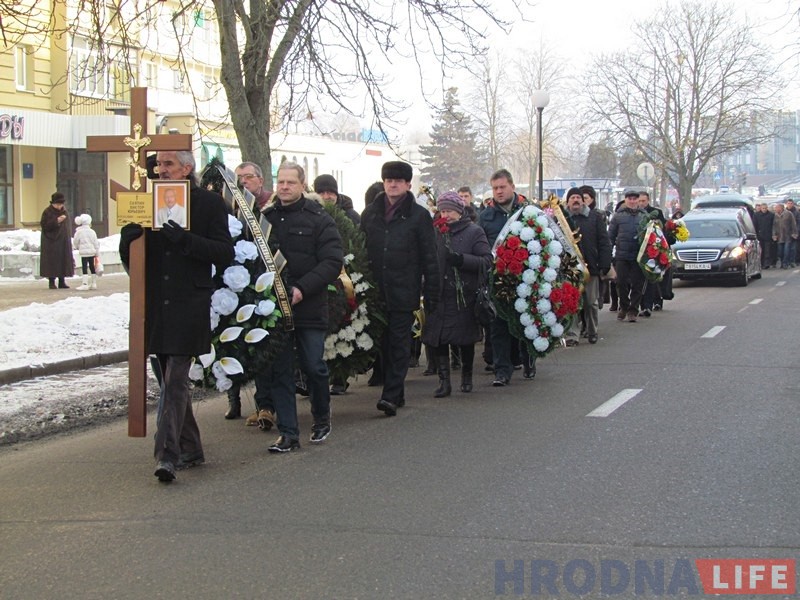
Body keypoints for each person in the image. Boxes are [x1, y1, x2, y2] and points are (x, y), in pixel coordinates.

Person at [119, 150, 234, 483]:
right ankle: (191, 446)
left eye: (168, 164)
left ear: (187, 167)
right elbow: (135, 264)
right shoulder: (146, 202)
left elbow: (223, 253)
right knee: (168, 378)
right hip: (156, 303)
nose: (161, 169)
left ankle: (166, 455)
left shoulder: (208, 204)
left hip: (188, 301)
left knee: (176, 379)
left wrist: (185, 240)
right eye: (158, 165)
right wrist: (128, 244)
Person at [261, 161, 343, 452]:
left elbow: (333, 261)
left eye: (290, 183)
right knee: (280, 370)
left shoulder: (318, 218)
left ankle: (321, 417)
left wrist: (302, 288)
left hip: (308, 305)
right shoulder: (265, 219)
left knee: (313, 366)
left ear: (302, 185)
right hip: (273, 309)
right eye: (280, 182)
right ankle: (288, 433)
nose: (284, 187)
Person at [360, 161, 440, 416]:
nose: (393, 184)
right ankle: (398, 391)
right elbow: (360, 251)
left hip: (404, 289)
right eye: (388, 180)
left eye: (398, 180)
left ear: (407, 185)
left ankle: (390, 396)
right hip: (375, 290)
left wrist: (432, 293)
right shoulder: (370, 213)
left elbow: (430, 256)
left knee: (399, 343)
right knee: (382, 343)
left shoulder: (418, 216)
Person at [422, 191, 491, 396]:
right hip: (438, 294)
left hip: (464, 295)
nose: (446, 215)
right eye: (443, 210)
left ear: (460, 212)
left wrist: (461, 259)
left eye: (450, 211)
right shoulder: (434, 232)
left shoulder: (474, 232)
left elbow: (486, 261)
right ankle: (444, 382)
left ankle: (467, 377)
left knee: (464, 338)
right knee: (439, 338)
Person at [223, 161, 276, 424]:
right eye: (239, 178)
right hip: (235, 284)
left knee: (261, 345)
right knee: (234, 344)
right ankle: (235, 399)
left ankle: (265, 404)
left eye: (249, 177)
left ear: (260, 180)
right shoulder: (230, 208)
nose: (244, 182)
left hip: (266, 287)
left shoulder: (271, 207)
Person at [478, 169, 536, 386]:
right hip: (498, 279)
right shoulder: (485, 217)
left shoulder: (528, 212)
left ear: (512, 186)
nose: (499, 192)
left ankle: (528, 360)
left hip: (526, 276)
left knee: (526, 321)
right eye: (495, 188)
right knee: (499, 325)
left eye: (502, 187)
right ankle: (502, 370)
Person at [313, 173, 358, 396]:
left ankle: (340, 376)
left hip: (345, 278)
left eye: (330, 192)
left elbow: (358, 243)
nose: (326, 196)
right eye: (322, 192)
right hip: (320, 277)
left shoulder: (349, 216)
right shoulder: (312, 213)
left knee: (344, 325)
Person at [566, 187, 611, 345]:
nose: (576, 200)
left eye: (578, 197)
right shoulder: (563, 219)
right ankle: (572, 335)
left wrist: (605, 263)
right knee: (571, 303)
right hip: (569, 269)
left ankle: (592, 330)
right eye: (572, 198)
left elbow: (604, 241)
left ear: (583, 201)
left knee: (591, 302)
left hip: (591, 268)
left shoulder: (594, 218)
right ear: (568, 201)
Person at [608, 188, 648, 323]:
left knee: (637, 284)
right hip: (621, 255)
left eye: (634, 199)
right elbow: (611, 236)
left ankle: (633, 310)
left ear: (638, 200)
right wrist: (608, 253)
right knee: (620, 282)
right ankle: (624, 306)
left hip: (638, 255)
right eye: (629, 199)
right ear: (625, 200)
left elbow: (651, 237)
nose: (632, 201)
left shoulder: (644, 216)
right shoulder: (618, 216)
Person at [637, 190, 666, 317]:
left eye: (643, 201)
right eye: (639, 201)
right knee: (639, 280)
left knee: (651, 279)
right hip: (638, 250)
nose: (641, 203)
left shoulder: (656, 212)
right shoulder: (635, 213)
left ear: (648, 201)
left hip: (653, 249)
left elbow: (661, 229)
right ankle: (642, 305)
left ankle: (649, 305)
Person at [40, 192, 74, 289]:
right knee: (52, 262)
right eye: (58, 204)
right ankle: (51, 281)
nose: (60, 206)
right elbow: (45, 225)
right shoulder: (47, 212)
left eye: (61, 204)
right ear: (53, 203)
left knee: (63, 261)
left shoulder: (65, 212)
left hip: (63, 242)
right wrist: (57, 221)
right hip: (51, 242)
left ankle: (62, 281)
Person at [72, 213, 100, 291]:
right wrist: (97, 252)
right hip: (92, 252)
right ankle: (94, 283)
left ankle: (85, 283)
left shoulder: (79, 232)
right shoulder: (92, 232)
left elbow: (75, 242)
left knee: (84, 267)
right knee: (92, 266)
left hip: (84, 253)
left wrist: (77, 247)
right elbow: (96, 243)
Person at [772, 202, 798, 269]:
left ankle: (785, 263)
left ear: (781, 208)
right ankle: (782, 261)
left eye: (777, 208)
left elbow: (793, 224)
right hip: (779, 236)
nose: (776, 209)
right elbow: (774, 226)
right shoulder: (775, 215)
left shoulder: (788, 214)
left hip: (787, 236)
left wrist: (794, 233)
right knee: (780, 252)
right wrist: (774, 234)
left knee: (786, 250)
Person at [753, 203, 774, 269]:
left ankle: (766, 263)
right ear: (761, 208)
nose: (764, 209)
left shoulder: (771, 215)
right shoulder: (756, 215)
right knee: (761, 250)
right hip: (760, 235)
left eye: (765, 208)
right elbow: (754, 225)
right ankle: (761, 263)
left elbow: (773, 225)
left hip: (768, 235)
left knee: (767, 251)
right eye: (763, 208)